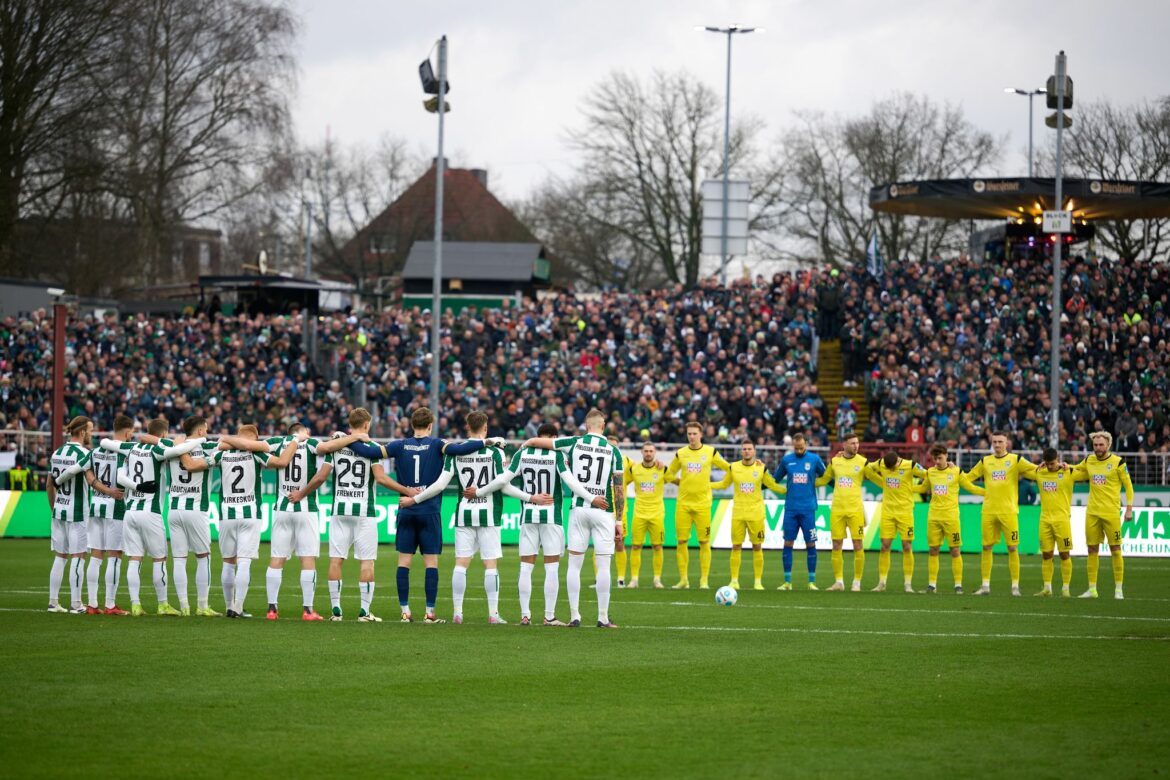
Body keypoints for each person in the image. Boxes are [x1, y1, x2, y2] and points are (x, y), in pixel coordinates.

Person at [406, 411, 550, 624]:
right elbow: (503, 484)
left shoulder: (456, 453)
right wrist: (530, 497)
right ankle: (493, 614)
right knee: (490, 564)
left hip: (464, 512)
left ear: (467, 427)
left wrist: (414, 499)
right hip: (489, 513)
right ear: (485, 428)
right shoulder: (495, 453)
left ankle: (457, 613)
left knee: (461, 563)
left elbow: (440, 485)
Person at [471, 422, 600, 624]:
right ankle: (549, 616)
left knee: (525, 567)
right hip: (551, 517)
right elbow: (570, 482)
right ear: (554, 439)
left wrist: (479, 491)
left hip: (528, 515)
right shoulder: (558, 456)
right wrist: (591, 497)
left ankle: (525, 615)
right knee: (551, 568)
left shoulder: (522, 454)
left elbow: (502, 481)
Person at [382, 406, 496, 623]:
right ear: (431, 425)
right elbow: (460, 450)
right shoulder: (438, 444)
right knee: (431, 563)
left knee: (403, 562)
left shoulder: (398, 445)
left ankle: (405, 611)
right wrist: (486, 441)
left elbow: (373, 452)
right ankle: (430, 612)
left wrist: (349, 438)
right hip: (430, 511)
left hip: (406, 508)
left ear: (411, 424)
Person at [523, 408, 625, 628]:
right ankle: (603, 617)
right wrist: (619, 520)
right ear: (604, 426)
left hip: (578, 509)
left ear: (586, 426)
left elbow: (542, 442)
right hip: (603, 510)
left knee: (574, 564)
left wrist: (528, 442)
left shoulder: (574, 442)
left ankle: (575, 615)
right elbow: (619, 489)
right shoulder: (613, 451)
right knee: (604, 565)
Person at [260, 424, 369, 620]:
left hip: (282, 508)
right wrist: (354, 437)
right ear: (303, 432)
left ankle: (271, 609)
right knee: (307, 558)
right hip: (306, 508)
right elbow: (327, 448)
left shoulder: (277, 443)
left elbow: (256, 447)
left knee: (277, 558)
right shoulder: (310, 443)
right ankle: (308, 610)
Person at [101, 418, 204, 616]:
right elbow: (177, 451)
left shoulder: (130, 449)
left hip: (130, 511)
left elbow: (107, 446)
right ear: (163, 434)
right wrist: (199, 440)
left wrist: (136, 486)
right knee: (159, 559)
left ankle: (135, 604)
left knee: (134, 559)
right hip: (151, 512)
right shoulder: (157, 451)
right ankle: (163, 604)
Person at [324, 408, 416, 622]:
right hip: (365, 511)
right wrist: (407, 490)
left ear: (350, 424)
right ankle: (364, 612)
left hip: (340, 510)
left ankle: (336, 609)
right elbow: (381, 479)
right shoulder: (373, 448)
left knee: (336, 559)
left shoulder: (337, 446)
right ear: (366, 425)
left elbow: (322, 473)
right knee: (367, 562)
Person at [206, 424, 296, 618]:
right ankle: (238, 607)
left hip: (226, 513)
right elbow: (281, 462)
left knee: (228, 562)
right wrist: (295, 441)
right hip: (250, 514)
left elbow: (203, 462)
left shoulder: (221, 454)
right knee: (244, 562)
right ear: (254, 437)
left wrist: (224, 441)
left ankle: (230, 606)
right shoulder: (256, 454)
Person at [161, 416, 223, 616]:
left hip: (173, 509)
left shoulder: (173, 447)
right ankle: (202, 606)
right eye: (205, 428)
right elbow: (228, 443)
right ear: (200, 431)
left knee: (179, 558)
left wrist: (178, 442)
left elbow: (152, 440)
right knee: (203, 557)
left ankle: (184, 606)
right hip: (196, 509)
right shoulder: (208, 447)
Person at [964, 432, 1037, 596]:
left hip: (1008, 512)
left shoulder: (1015, 460)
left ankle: (1015, 587)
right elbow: (968, 478)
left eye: (1000, 442)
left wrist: (1051, 468)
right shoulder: (985, 461)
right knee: (986, 547)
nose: (997, 445)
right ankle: (985, 586)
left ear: (1007, 443)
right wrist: (954, 473)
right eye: (995, 442)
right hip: (989, 511)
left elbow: (1034, 471)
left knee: (1012, 547)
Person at [665, 422, 731, 590]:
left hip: (702, 505)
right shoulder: (681, 454)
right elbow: (669, 474)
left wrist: (720, 484)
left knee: (704, 542)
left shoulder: (710, 452)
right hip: (684, 505)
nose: (691, 437)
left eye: (694, 433)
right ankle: (683, 580)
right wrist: (678, 481)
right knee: (681, 541)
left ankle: (704, 580)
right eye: (689, 434)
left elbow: (729, 468)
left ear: (701, 434)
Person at [712, 440, 785, 590]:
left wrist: (791, 490)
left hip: (756, 514)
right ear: (741, 451)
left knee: (757, 546)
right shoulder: (734, 467)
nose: (746, 451)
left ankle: (757, 581)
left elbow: (773, 485)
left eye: (749, 449)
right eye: (744, 449)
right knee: (736, 546)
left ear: (754, 451)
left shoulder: (761, 468)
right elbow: (723, 484)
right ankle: (734, 580)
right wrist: (706, 485)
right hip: (738, 513)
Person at [911, 444, 983, 594]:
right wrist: (905, 488)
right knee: (933, 550)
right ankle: (932, 585)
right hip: (934, 517)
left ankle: (958, 585)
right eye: (934, 458)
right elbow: (923, 488)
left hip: (951, 518)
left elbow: (971, 487)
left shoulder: (956, 472)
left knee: (955, 550)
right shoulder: (930, 472)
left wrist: (988, 493)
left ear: (946, 456)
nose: (936, 461)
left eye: (939, 458)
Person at [1073, 431, 1134, 599]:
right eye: (1095, 445)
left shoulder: (1118, 462)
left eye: (1101, 445)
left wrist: (1129, 508)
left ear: (1108, 445)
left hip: (1111, 513)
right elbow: (1076, 470)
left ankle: (1119, 590)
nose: (1098, 448)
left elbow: (1128, 486)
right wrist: (1063, 467)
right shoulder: (1089, 460)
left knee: (1115, 549)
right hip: (1092, 512)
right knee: (1092, 549)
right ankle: (1092, 590)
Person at [82, 414, 133, 614]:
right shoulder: (125, 452)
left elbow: (86, 472)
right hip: (116, 507)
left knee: (96, 555)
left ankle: (92, 604)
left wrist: (98, 487)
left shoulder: (96, 451)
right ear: (128, 432)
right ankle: (110, 604)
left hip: (96, 505)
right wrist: (110, 490)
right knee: (114, 555)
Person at [47, 416, 97, 613]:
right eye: (90, 431)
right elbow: (91, 479)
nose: (91, 434)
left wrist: (54, 508)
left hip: (59, 511)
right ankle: (76, 604)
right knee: (78, 556)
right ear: (83, 432)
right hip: (77, 512)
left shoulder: (57, 453)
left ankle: (53, 602)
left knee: (60, 556)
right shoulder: (84, 454)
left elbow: (49, 484)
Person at [1021, 448, 1083, 597]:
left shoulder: (1068, 473)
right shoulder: (1040, 472)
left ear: (1058, 459)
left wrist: (1071, 466)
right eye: (1048, 463)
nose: (1050, 466)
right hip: (1045, 520)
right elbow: (1021, 470)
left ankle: (1066, 588)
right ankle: (1047, 588)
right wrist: (1036, 466)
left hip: (1062, 520)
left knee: (1064, 554)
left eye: (1053, 463)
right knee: (1046, 554)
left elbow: (1087, 472)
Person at [864, 450, 926, 593]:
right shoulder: (881, 463)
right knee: (885, 546)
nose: (890, 471)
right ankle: (882, 583)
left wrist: (918, 488)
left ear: (898, 461)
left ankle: (908, 584)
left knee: (906, 546)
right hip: (888, 512)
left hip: (905, 513)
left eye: (892, 468)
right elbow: (868, 468)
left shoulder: (911, 465)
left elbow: (929, 474)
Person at [815, 432, 869, 591]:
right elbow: (824, 479)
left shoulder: (863, 462)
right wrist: (806, 483)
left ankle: (857, 582)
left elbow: (876, 475)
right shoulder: (835, 461)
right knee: (836, 544)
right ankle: (839, 582)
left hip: (855, 510)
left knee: (857, 544)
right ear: (844, 445)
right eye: (852, 443)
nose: (856, 446)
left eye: (857, 443)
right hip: (837, 509)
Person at [771, 432, 826, 590]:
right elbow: (775, 478)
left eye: (801, 447)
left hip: (808, 509)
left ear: (806, 445)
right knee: (788, 543)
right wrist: (762, 474)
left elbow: (826, 476)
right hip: (791, 509)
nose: (799, 450)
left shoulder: (814, 459)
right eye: (796, 448)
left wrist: (839, 485)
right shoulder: (787, 460)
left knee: (811, 543)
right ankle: (787, 582)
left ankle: (811, 582)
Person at [623, 441, 675, 589]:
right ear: (641, 452)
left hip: (657, 514)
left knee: (657, 546)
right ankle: (634, 580)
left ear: (655, 453)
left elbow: (675, 480)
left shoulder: (662, 469)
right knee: (636, 546)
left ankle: (657, 579)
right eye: (646, 451)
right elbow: (621, 483)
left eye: (651, 451)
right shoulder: (634, 469)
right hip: (639, 513)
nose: (648, 454)